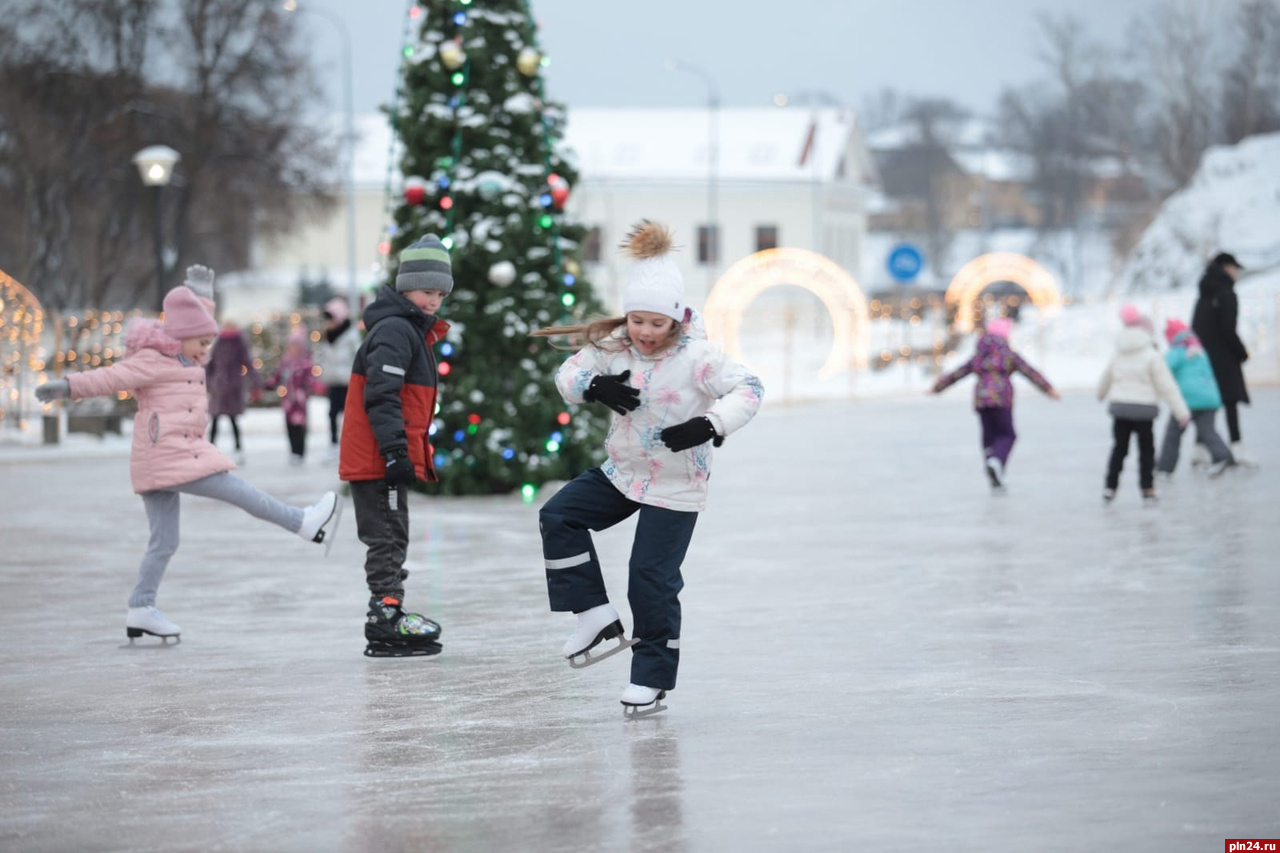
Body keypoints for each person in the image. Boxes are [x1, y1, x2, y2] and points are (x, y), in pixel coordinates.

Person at [531, 220, 764, 718]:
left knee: (649, 577)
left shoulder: (700, 357)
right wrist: (595, 386)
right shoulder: (615, 344)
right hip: (624, 473)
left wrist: (710, 423)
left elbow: (751, 388)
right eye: (637, 320)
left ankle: (651, 678)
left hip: (677, 485)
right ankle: (594, 614)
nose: (645, 333)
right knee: (559, 516)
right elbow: (567, 372)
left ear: (677, 320)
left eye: (656, 324)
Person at [33, 286, 342, 643]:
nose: (206, 351)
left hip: (165, 458)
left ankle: (141, 607)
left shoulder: (186, 356)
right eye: (201, 343)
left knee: (164, 542)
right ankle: (301, 522)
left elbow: (192, 322)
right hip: (171, 454)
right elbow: (110, 377)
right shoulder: (152, 360)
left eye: (209, 343)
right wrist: (67, 387)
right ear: (180, 337)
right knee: (238, 490)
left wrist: (201, 294)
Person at [338, 235, 451, 658]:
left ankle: (389, 610)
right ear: (405, 289)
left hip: (380, 455)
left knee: (392, 532)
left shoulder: (408, 329)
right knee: (386, 536)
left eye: (440, 293)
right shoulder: (396, 330)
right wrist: (394, 452)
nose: (434, 301)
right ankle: (385, 616)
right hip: (377, 458)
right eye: (427, 292)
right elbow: (382, 395)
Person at [930, 316, 1059, 493]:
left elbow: (959, 372)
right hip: (1001, 399)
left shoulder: (980, 355)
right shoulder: (1008, 354)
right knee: (1008, 434)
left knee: (989, 438)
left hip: (981, 400)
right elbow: (1030, 371)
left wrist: (938, 387)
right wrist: (1049, 389)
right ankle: (996, 463)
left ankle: (995, 474)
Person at [1097, 305, 1190, 506]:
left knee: (1119, 449)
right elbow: (1167, 385)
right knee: (1146, 450)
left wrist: (1100, 394)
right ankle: (1148, 488)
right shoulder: (1151, 354)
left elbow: (1107, 375)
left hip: (1121, 408)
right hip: (1144, 410)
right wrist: (1181, 412)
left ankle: (1110, 487)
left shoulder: (1118, 352)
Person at [1190, 252, 1256, 466]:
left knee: (1206, 403)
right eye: (1234, 268)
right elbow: (1228, 329)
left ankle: (1199, 449)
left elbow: (1195, 328)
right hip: (1224, 358)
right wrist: (1242, 352)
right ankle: (1237, 448)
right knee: (1230, 403)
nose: (1236, 272)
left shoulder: (1204, 292)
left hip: (1203, 358)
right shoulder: (1226, 294)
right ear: (1226, 268)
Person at [1156, 319, 1235, 479]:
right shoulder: (1198, 348)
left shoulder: (1177, 351)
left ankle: (1165, 468)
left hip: (1187, 401)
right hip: (1210, 398)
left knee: (1173, 433)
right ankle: (1222, 456)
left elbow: (1161, 370)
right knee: (1207, 430)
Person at [205, 319, 258, 465]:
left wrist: (256, 382)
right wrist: (209, 382)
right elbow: (211, 365)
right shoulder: (219, 342)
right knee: (215, 420)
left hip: (233, 387)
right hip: (219, 387)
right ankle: (210, 449)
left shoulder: (240, 342)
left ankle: (238, 449)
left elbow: (248, 362)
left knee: (233, 420)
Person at [318, 297, 361, 463]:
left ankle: (351, 446)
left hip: (348, 381)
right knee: (332, 414)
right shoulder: (328, 336)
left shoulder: (351, 334)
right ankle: (334, 445)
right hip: (333, 380)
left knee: (350, 416)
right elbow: (324, 357)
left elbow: (358, 356)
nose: (328, 323)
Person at [269, 329, 314, 465]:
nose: (294, 349)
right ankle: (293, 451)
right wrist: (269, 384)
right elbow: (278, 376)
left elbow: (310, 379)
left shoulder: (305, 363)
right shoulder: (286, 361)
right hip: (288, 400)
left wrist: (314, 386)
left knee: (300, 426)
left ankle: (300, 452)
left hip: (300, 400)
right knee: (290, 426)